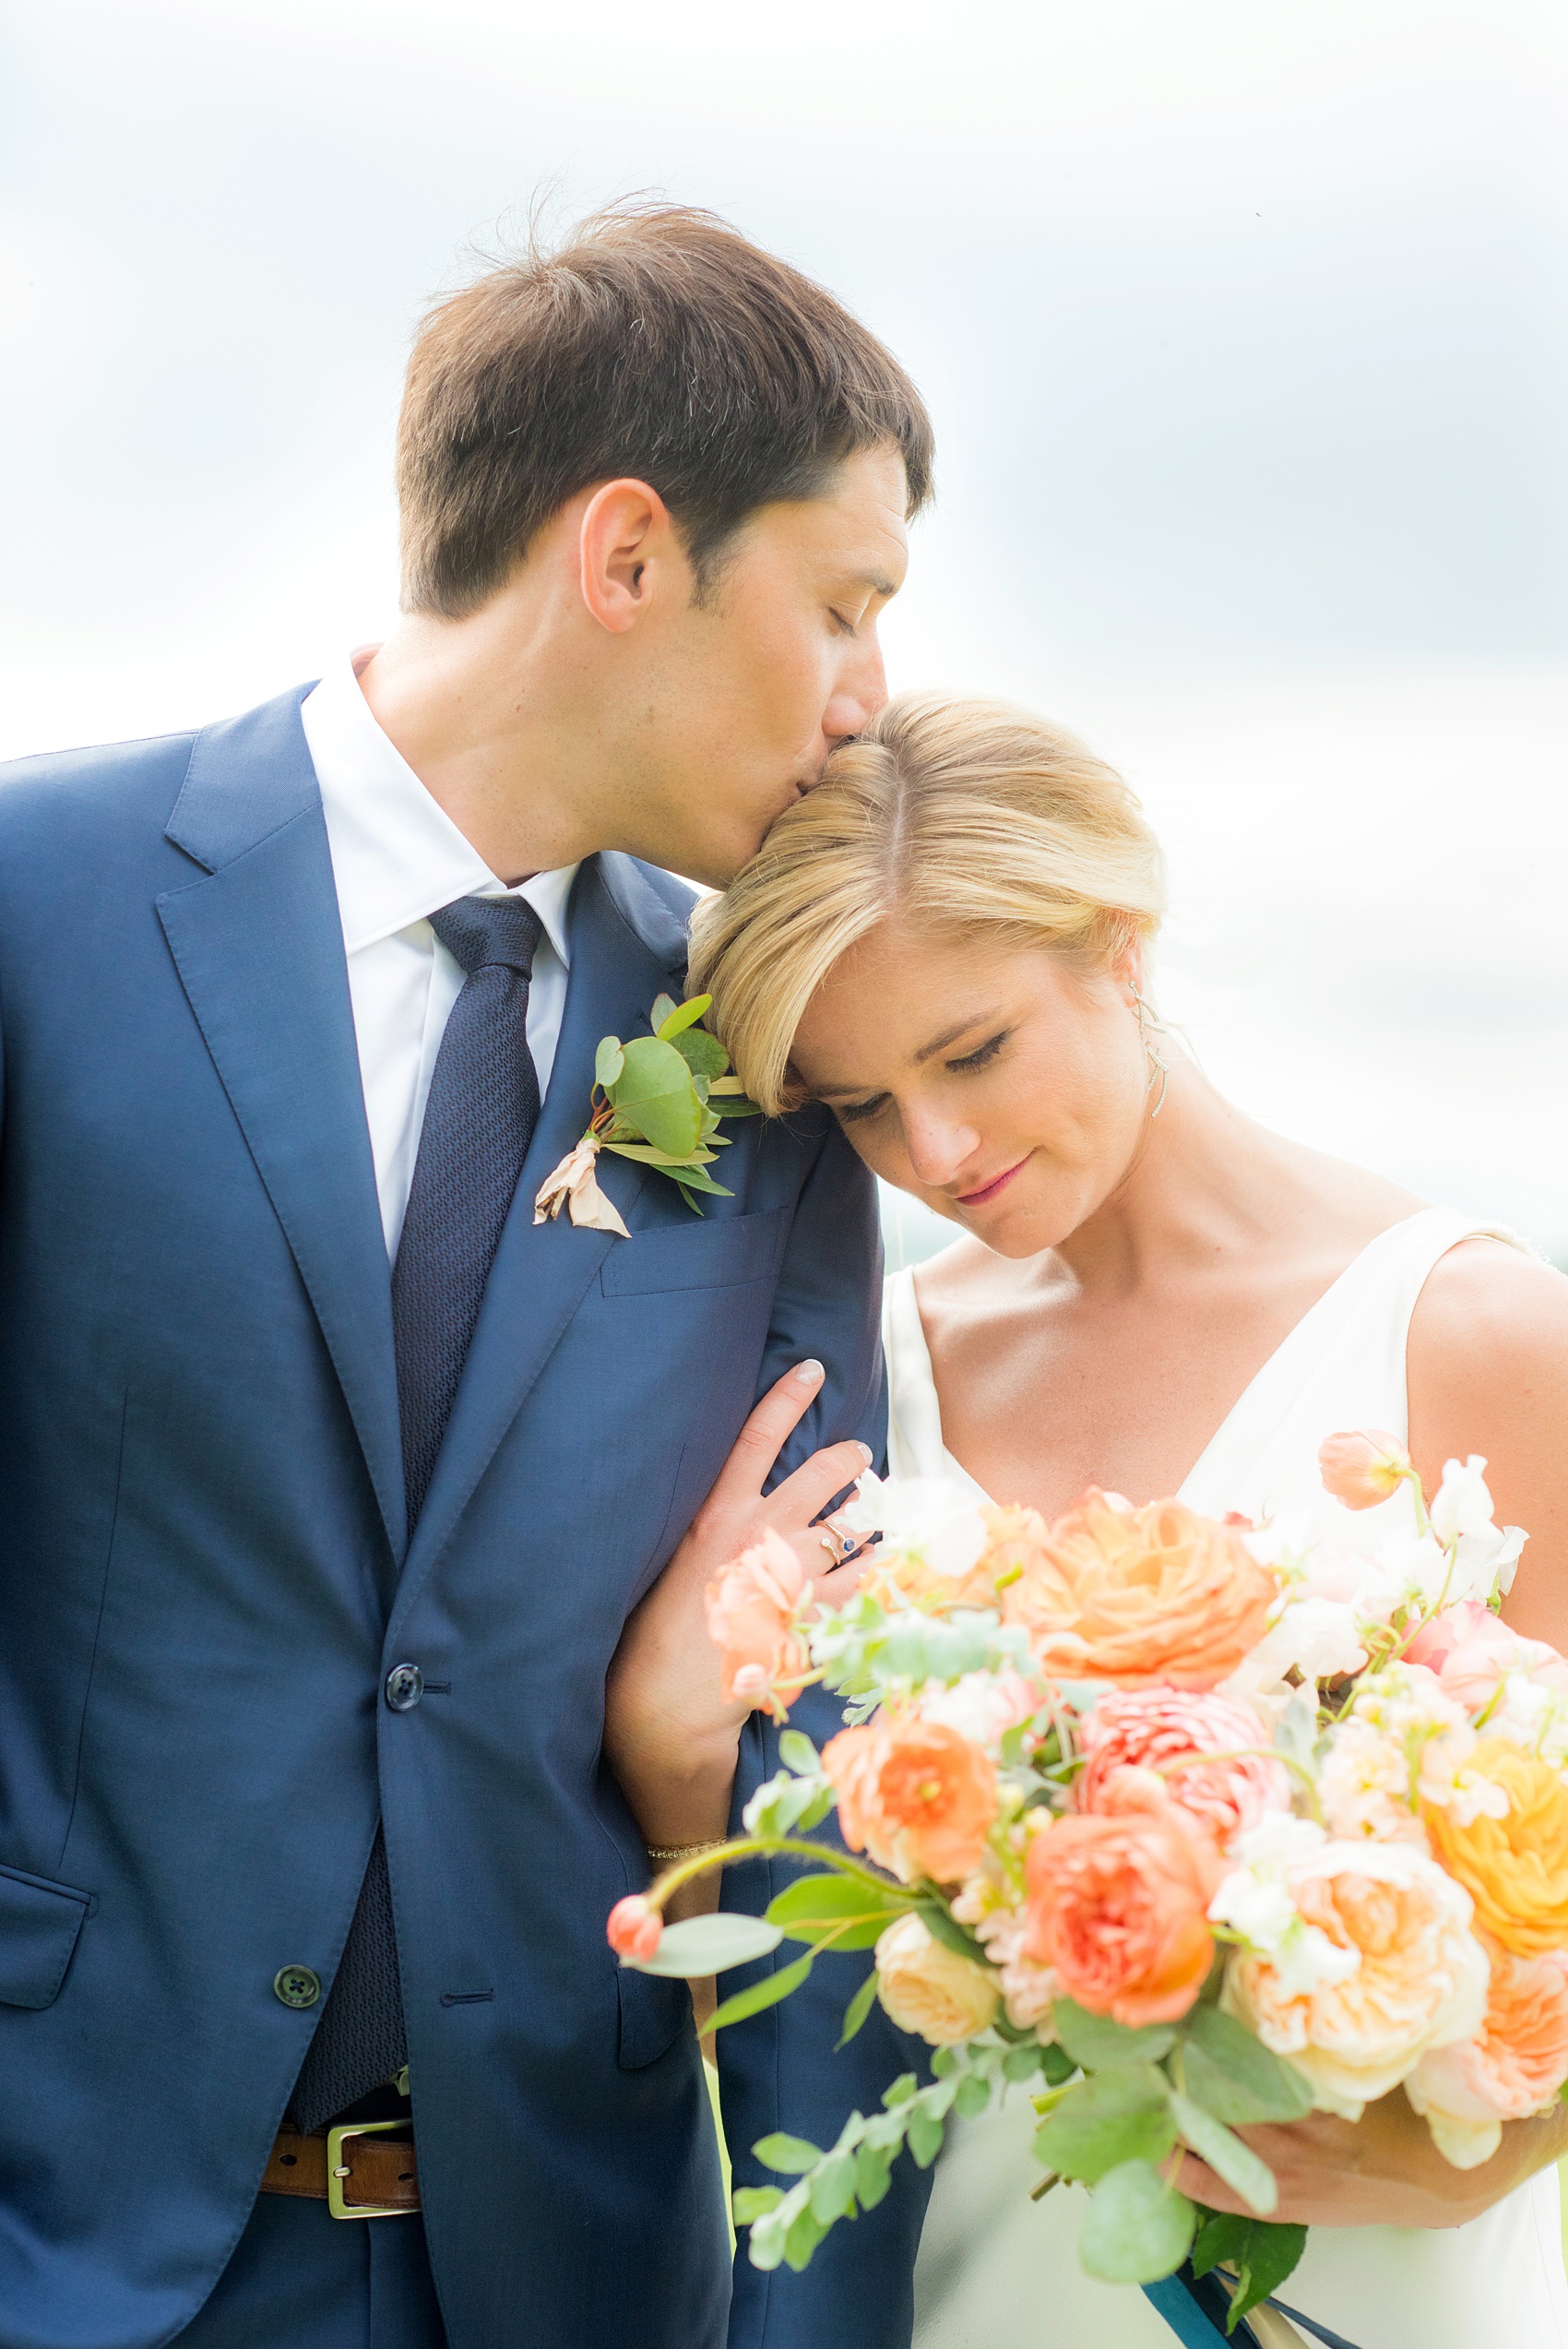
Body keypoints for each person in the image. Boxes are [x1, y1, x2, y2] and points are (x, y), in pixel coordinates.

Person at [0, 205, 934, 2349]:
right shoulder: (37, 908)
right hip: (68, 2249)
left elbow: (831, 1762)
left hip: (568, 2282)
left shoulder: (762, 1074)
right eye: (844, 603)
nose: (872, 699)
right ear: (624, 558)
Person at [616, 690, 1568, 2349]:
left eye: (972, 1049)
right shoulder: (870, 1390)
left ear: (1119, 939)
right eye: (861, 1106)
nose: (941, 1149)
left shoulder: (1470, 1335)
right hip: (967, 2288)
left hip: (1371, 2282)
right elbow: (740, 2016)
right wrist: (666, 1744)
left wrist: (1506, 2147)